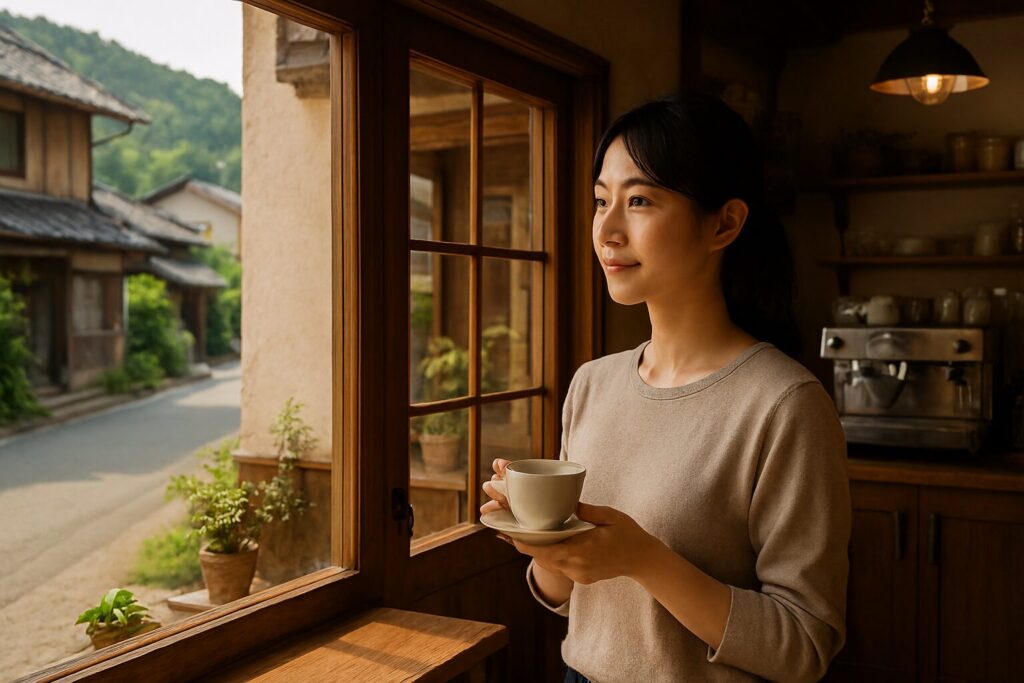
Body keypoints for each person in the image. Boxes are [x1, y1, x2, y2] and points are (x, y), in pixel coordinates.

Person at [481, 92, 850, 683]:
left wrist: (645, 560)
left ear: (724, 223)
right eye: (601, 201)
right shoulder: (593, 384)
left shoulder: (784, 405)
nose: (607, 230)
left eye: (639, 200)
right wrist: (541, 535)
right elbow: (571, 599)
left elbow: (804, 646)